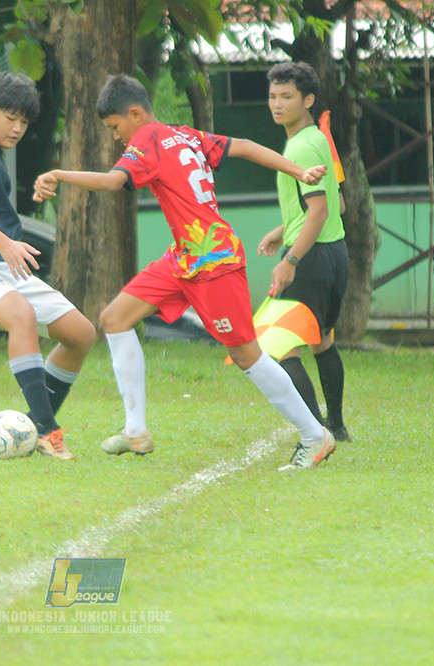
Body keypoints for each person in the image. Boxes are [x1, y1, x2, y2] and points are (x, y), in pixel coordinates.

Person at [33, 73, 335, 470]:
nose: (116, 137)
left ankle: (315, 436)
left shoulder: (148, 139)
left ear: (135, 113)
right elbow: (244, 147)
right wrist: (298, 171)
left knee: (246, 354)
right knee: (115, 318)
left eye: (114, 127)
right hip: (185, 257)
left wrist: (58, 174)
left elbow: (111, 182)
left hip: (213, 259)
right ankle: (136, 430)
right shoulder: (185, 135)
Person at [0, 72, 96, 461]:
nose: (18, 128)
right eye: (10, 118)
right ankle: (47, 430)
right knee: (21, 315)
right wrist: (6, 244)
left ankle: (33, 426)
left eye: (24, 121)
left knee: (81, 334)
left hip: (0, 269)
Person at [257, 62, 352, 443]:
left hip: (310, 259)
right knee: (321, 340)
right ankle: (336, 427)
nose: (277, 104)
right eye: (272, 96)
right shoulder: (317, 139)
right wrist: (283, 230)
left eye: (287, 96)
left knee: (281, 347)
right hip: (334, 253)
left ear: (308, 100)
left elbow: (320, 211)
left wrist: (290, 259)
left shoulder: (301, 146)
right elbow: (337, 203)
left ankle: (316, 432)